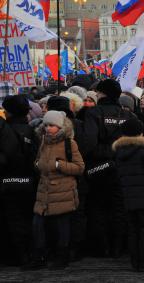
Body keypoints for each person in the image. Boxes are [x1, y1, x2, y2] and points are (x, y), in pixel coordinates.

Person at [25, 110, 84, 270]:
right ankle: (40, 257)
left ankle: (61, 257)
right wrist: (38, 165)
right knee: (38, 224)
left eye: (51, 125)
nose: (47, 128)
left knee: (62, 226)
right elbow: (38, 160)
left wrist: (59, 165)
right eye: (46, 125)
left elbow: (79, 167)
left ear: (60, 127)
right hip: (44, 191)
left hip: (63, 192)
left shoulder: (68, 143)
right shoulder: (44, 141)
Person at [83, 79, 135, 257]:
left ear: (103, 93)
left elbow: (89, 143)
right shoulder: (127, 115)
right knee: (120, 208)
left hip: (99, 167)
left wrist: (104, 153)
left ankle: (103, 246)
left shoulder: (93, 113)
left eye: (98, 92)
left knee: (98, 207)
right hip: (123, 167)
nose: (96, 95)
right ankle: (118, 246)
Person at [113, 119, 144, 272]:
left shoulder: (119, 152)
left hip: (128, 199)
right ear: (140, 132)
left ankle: (135, 263)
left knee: (133, 231)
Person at [0, 95, 37, 266]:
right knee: (28, 218)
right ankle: (29, 252)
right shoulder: (33, 131)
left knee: (12, 219)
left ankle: (18, 254)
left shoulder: (4, 130)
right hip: (29, 181)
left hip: (7, 181)